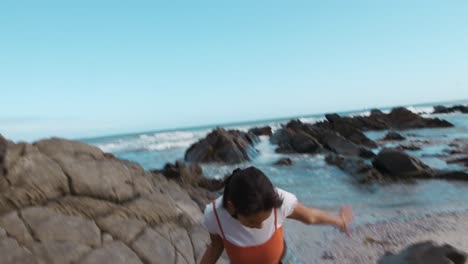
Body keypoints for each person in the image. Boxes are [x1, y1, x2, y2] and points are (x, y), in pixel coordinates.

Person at [200, 166, 353, 264]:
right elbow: (215, 247)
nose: (260, 226)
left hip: (284, 260)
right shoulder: (214, 215)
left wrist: (341, 221)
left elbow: (310, 217)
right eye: (253, 222)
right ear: (232, 208)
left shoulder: (277, 200)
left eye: (264, 220)